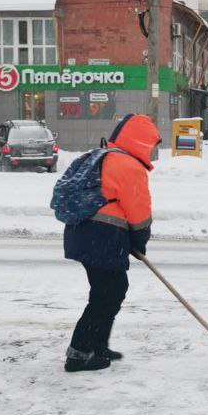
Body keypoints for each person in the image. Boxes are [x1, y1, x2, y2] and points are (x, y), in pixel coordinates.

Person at [62, 113, 161, 373]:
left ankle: (97, 345)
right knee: (108, 293)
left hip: (83, 234)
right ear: (141, 142)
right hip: (102, 238)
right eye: (151, 146)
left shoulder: (103, 156)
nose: (151, 152)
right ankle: (80, 353)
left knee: (107, 291)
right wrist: (139, 241)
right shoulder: (129, 166)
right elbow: (139, 214)